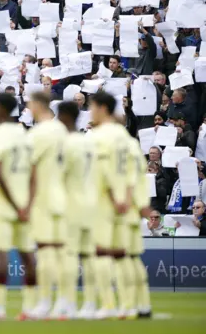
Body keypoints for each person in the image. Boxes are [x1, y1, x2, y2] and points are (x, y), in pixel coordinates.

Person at [0, 93, 37, 320]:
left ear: (2, 111)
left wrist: (14, 203)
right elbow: (35, 172)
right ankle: (31, 306)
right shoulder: (25, 135)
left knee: (1, 256)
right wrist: (26, 203)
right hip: (25, 203)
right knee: (27, 256)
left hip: (4, 203)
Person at [88, 91, 132, 319]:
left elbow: (104, 171)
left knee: (101, 254)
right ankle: (128, 304)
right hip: (124, 200)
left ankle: (108, 304)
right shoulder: (124, 136)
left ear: (102, 108)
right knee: (121, 254)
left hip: (105, 200)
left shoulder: (100, 136)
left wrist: (114, 198)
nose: (90, 111)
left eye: (92, 106)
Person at [25, 91, 68, 319]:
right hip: (62, 196)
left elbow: (30, 171)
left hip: (43, 197)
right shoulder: (62, 130)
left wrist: (27, 202)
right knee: (61, 251)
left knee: (43, 251)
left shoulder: (38, 133)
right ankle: (64, 301)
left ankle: (44, 302)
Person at [57, 101, 97, 319]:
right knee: (88, 256)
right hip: (91, 204)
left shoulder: (67, 144)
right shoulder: (88, 143)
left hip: (71, 204)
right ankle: (90, 303)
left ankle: (68, 302)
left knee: (69, 254)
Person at [125, 135, 153, 319]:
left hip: (120, 212)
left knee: (118, 258)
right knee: (132, 259)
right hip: (133, 210)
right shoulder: (133, 147)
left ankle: (126, 305)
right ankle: (143, 305)